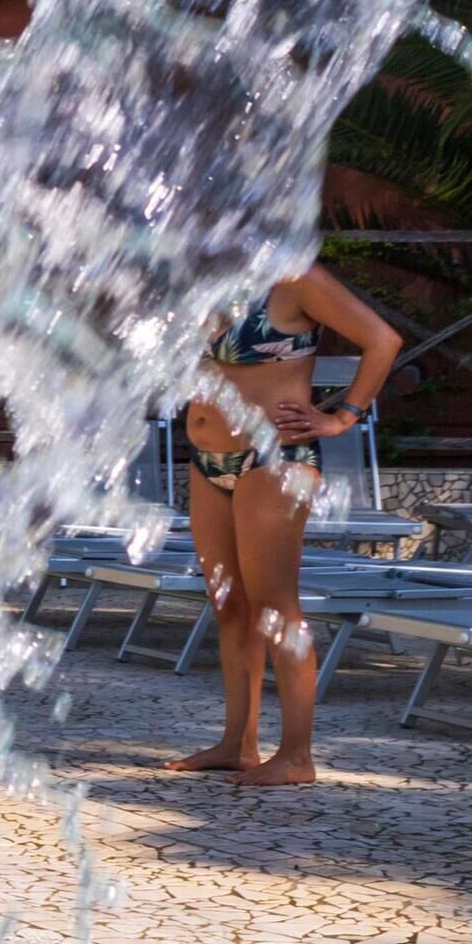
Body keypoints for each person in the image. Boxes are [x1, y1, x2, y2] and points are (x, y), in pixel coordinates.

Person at [171, 265, 400, 787]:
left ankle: (297, 754)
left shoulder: (295, 280)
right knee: (230, 607)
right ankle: (238, 743)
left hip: (275, 459)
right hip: (207, 462)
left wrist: (343, 416)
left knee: (276, 605)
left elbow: (383, 340)